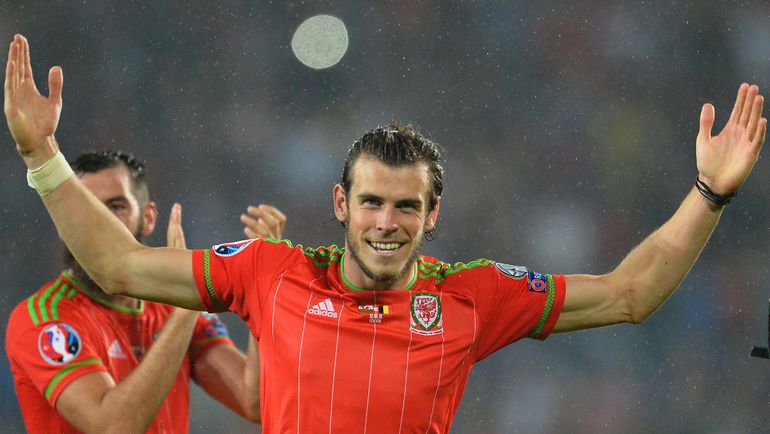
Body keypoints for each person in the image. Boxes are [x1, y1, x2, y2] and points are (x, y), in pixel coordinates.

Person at [4, 33, 766, 433]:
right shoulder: (270, 271)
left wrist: (709, 194)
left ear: (433, 216)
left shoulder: (470, 296)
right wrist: (42, 156)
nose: (386, 223)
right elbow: (117, 264)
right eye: (371, 202)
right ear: (340, 203)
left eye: (406, 207)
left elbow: (631, 294)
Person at [4, 147, 286, 433]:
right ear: (63, 221)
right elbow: (114, 428)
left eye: (116, 207)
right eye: (88, 207)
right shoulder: (43, 321)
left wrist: (261, 279)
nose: (101, 222)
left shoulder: (171, 307)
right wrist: (186, 307)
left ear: (149, 218)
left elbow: (255, 402)